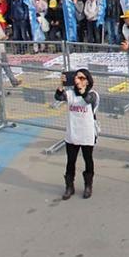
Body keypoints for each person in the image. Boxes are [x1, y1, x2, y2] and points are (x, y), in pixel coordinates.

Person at [55, 68, 99, 200]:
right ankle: (69, 186)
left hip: (87, 133)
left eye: (82, 78)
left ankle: (88, 185)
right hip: (72, 133)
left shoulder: (93, 94)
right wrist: (61, 84)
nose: (78, 80)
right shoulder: (70, 94)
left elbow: (87, 99)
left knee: (88, 159)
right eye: (77, 78)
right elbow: (58, 97)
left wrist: (81, 89)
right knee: (70, 161)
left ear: (88, 81)